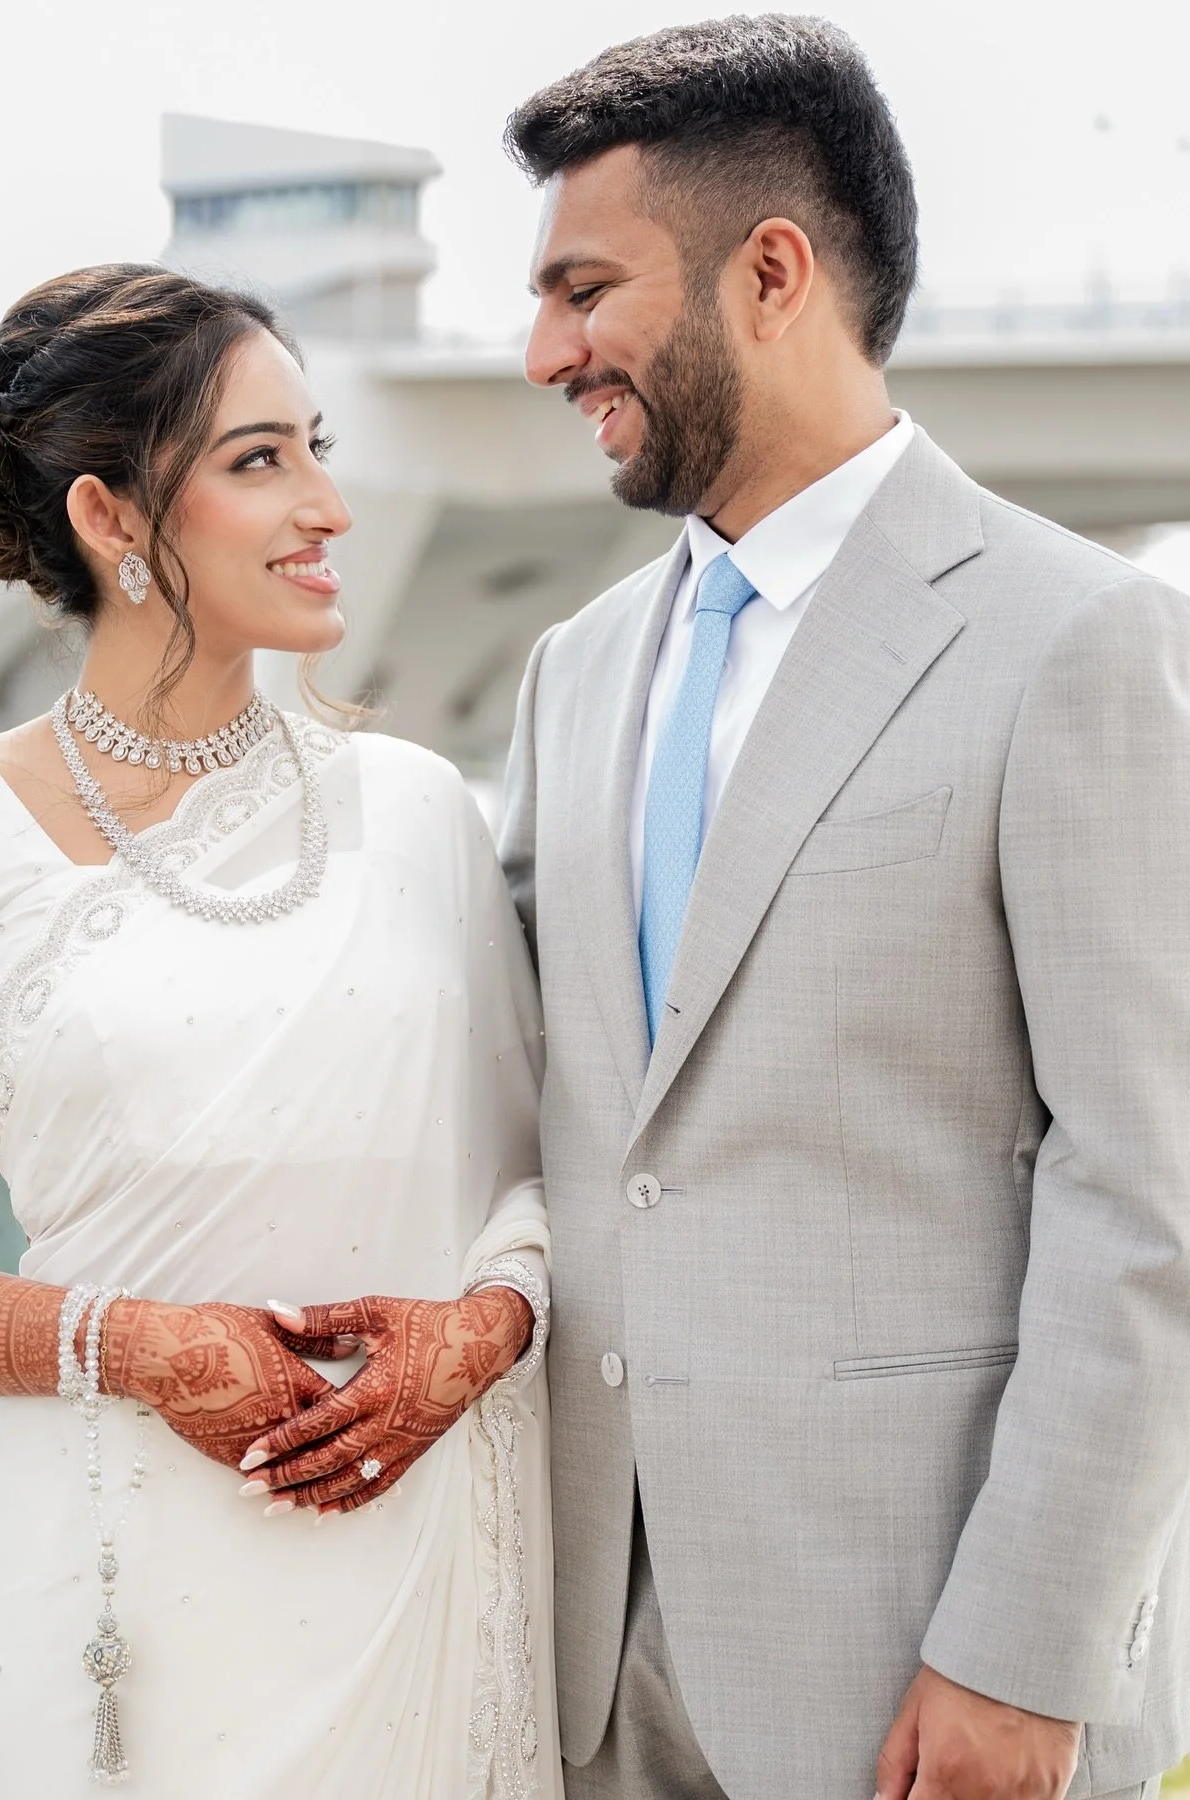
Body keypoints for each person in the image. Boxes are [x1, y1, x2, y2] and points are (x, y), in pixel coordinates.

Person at [500, 15, 1190, 1800]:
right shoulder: (571, 676)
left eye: (585, 289)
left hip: (921, 1664)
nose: (541, 352)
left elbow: (1152, 1185)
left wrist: (1027, 1650)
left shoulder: (1075, 637)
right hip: (593, 1650)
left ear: (773, 271)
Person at [0, 264, 561, 1798]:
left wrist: (477, 1338)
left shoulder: (414, 808)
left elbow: (542, 1177)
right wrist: (140, 1347)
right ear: (109, 517)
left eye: (318, 444)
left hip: (418, 1539)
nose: (329, 504)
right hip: (112, 1575)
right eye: (259, 458)